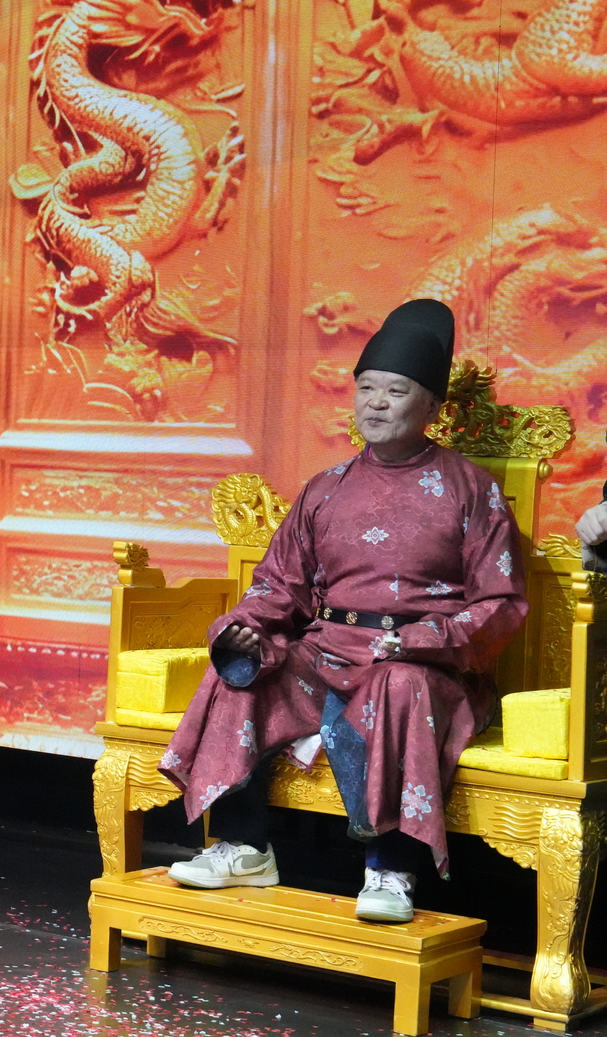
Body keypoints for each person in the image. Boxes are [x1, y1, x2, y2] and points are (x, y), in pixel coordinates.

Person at [157, 299, 526, 923]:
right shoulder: (325, 488)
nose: (375, 403)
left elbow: (500, 603)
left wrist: (422, 640)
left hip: (426, 665)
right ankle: (245, 846)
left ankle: (391, 869)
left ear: (432, 408)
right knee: (244, 674)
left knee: (397, 684)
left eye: (395, 391)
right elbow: (280, 584)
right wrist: (246, 628)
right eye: (366, 388)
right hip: (330, 650)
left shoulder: (472, 489)